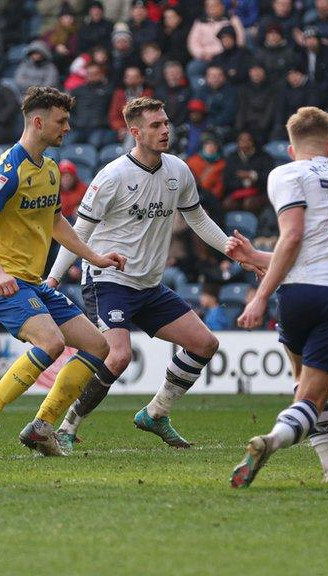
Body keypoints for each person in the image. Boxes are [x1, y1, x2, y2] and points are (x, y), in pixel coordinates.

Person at [46, 97, 234, 452]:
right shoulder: (113, 176)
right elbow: (77, 232)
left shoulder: (178, 170)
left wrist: (232, 250)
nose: (165, 130)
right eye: (155, 126)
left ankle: (156, 413)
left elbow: (197, 219)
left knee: (205, 343)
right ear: (135, 132)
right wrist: (55, 278)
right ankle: (68, 426)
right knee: (118, 356)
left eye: (166, 123)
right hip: (109, 280)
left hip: (148, 284)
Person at [0, 87, 126, 458]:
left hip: (30, 282)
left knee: (99, 346)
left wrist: (95, 257)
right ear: (38, 122)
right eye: (61, 120)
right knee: (51, 343)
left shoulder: (50, 170)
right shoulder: (7, 169)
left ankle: (41, 427)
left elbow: (56, 224)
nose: (67, 128)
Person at [224, 106, 328, 487]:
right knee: (311, 395)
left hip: (300, 293)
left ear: (291, 148)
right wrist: (258, 282)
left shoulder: (286, 172)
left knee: (303, 383)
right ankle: (271, 440)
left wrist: (258, 282)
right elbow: (299, 241)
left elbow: (295, 242)